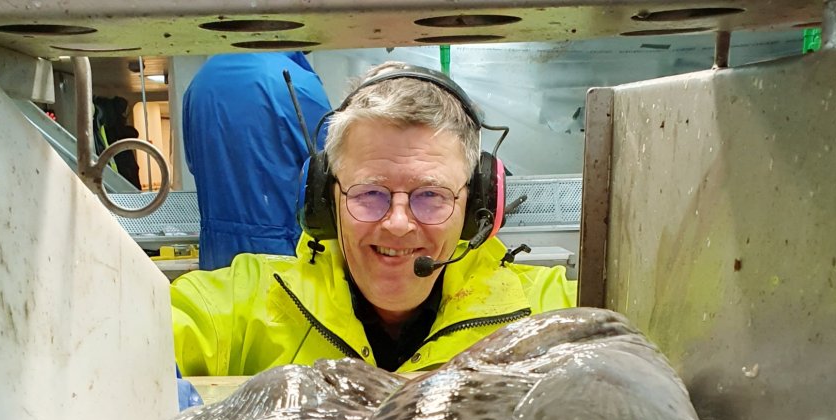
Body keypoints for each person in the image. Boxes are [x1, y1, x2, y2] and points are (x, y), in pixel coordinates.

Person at [172, 61, 577, 377]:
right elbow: (131, 334)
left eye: (431, 195)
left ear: (476, 207)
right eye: (369, 193)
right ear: (325, 201)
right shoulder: (241, 308)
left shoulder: (551, 314)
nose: (398, 224)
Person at [182, 52, 332, 270]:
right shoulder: (298, 83)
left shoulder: (200, 82)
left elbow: (193, 163)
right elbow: (330, 174)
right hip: (283, 256)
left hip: (216, 255)